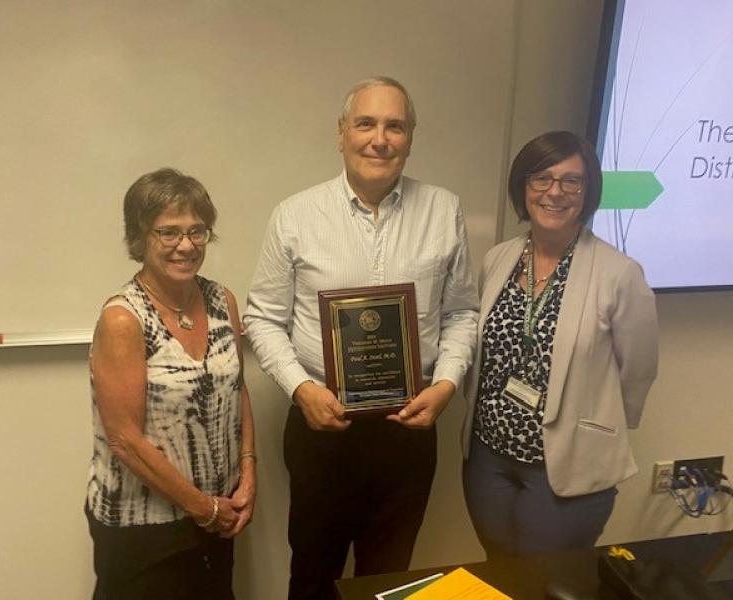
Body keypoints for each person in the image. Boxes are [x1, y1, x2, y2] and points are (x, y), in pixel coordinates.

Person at [243, 76, 479, 599]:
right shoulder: (295, 216)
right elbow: (262, 318)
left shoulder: (444, 211)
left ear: (411, 136)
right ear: (341, 133)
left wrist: (445, 385)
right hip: (322, 427)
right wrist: (302, 390)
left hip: (409, 428)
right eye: (366, 123)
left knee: (388, 580)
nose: (380, 138)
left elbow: (463, 312)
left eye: (395, 126)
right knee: (312, 575)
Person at [461, 131, 658, 558]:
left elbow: (637, 371)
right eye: (542, 178)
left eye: (572, 181)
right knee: (500, 568)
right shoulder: (499, 258)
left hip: (565, 466)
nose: (556, 192)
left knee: (543, 580)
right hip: (489, 457)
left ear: (587, 193)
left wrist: (595, 426)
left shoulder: (619, 274)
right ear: (523, 187)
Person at [85, 168, 256, 599]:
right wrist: (205, 508)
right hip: (143, 529)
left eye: (197, 231)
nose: (186, 245)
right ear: (140, 237)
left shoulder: (221, 300)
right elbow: (124, 441)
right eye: (169, 232)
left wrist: (248, 473)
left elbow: (238, 390)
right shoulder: (124, 319)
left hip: (217, 516)